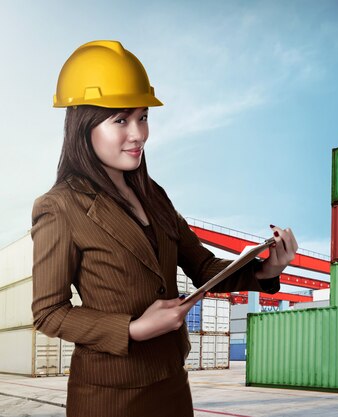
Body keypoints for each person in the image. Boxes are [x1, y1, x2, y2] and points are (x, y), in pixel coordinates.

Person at [31, 40, 298, 417]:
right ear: (83, 124)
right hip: (110, 397)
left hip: (172, 383)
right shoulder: (59, 207)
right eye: (121, 120)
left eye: (142, 117)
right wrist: (133, 329)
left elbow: (203, 268)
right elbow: (49, 314)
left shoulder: (153, 194)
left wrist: (266, 269)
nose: (138, 133)